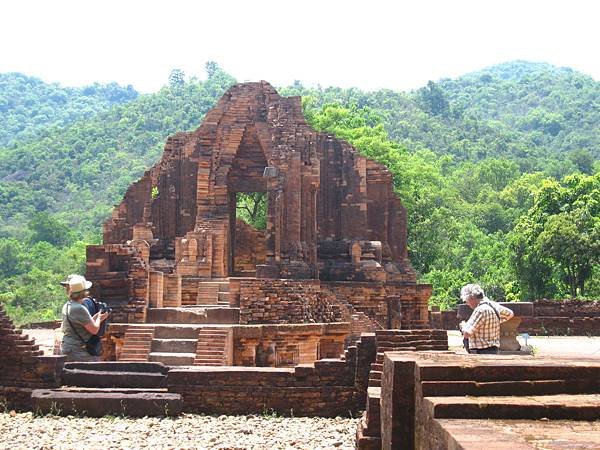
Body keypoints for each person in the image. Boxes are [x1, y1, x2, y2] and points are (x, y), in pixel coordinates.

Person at [60, 274, 109, 361]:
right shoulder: (79, 308)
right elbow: (94, 330)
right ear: (84, 292)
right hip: (78, 349)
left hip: (69, 346)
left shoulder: (68, 305)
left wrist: (98, 317)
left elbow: (82, 323)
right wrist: (98, 319)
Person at [459, 283, 514, 354]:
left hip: (480, 352)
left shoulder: (480, 310)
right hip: (494, 350)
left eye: (467, 301)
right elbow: (510, 314)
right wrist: (495, 322)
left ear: (472, 298)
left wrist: (463, 326)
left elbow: (467, 333)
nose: (467, 303)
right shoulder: (493, 305)